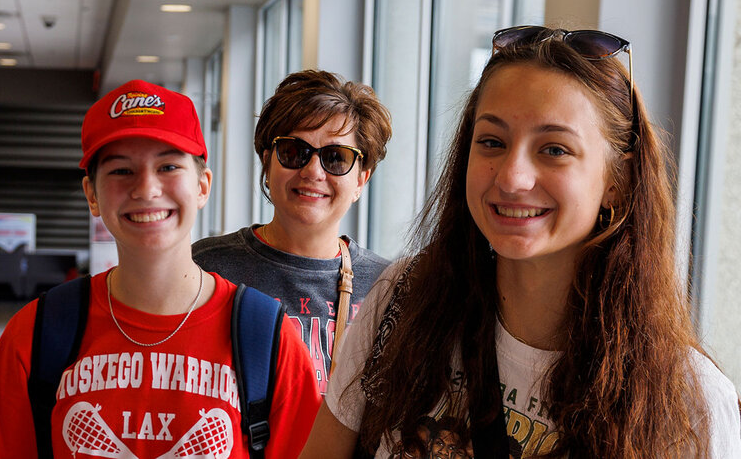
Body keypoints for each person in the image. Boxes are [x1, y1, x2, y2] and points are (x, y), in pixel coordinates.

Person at [300, 27, 741, 458]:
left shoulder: (687, 403)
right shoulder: (404, 300)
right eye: (492, 141)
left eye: (554, 149)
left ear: (617, 182)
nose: (512, 177)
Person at [0, 80, 320, 459]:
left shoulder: (266, 336)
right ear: (92, 195)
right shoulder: (38, 332)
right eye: (120, 171)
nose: (146, 189)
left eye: (168, 166)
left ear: (202, 186)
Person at [193, 70, 393, 392]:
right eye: (293, 152)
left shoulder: (387, 287)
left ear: (361, 180)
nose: (313, 171)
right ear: (267, 162)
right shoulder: (206, 268)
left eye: (336, 158)